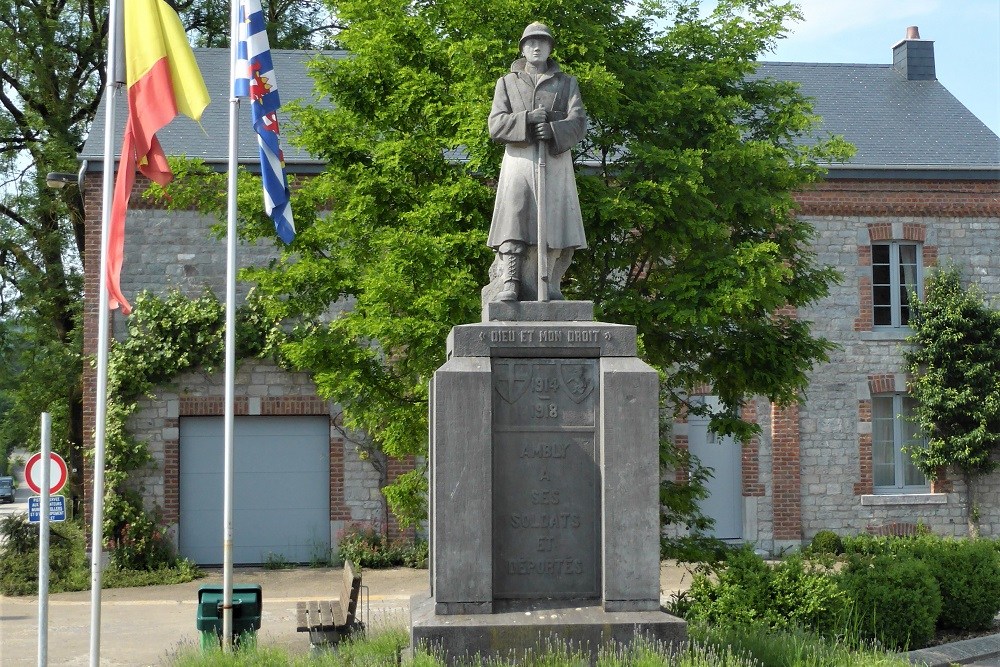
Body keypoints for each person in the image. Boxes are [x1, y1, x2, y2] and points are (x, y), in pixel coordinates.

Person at [487, 22, 587, 302]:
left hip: (554, 161)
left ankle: (550, 284)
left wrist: (554, 130)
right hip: (519, 159)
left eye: (542, 42)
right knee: (514, 217)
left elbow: (578, 123)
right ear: (522, 48)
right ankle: (511, 281)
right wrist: (526, 120)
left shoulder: (567, 83)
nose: (536, 47)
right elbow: (495, 125)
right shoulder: (506, 83)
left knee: (555, 221)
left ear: (550, 48)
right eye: (531, 42)